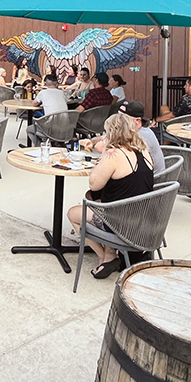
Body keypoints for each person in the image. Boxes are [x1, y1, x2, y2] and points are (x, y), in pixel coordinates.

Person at [67, 114, 154, 279]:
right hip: (145, 217)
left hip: (121, 222)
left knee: (73, 213)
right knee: (91, 198)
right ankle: (110, 250)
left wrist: (104, 154)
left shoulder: (113, 155)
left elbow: (94, 183)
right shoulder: (143, 149)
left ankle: (106, 257)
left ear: (112, 133)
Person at [81, 100, 165, 176]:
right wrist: (92, 141)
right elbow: (106, 137)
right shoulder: (130, 131)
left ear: (137, 121)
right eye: (118, 116)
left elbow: (121, 157)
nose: (118, 120)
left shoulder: (140, 136)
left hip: (152, 185)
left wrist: (104, 150)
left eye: (123, 118)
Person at [26, 75, 68, 146]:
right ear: (56, 84)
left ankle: (40, 147)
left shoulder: (43, 93)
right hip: (65, 128)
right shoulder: (62, 93)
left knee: (29, 129)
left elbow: (34, 104)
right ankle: (54, 144)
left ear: (45, 84)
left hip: (50, 129)